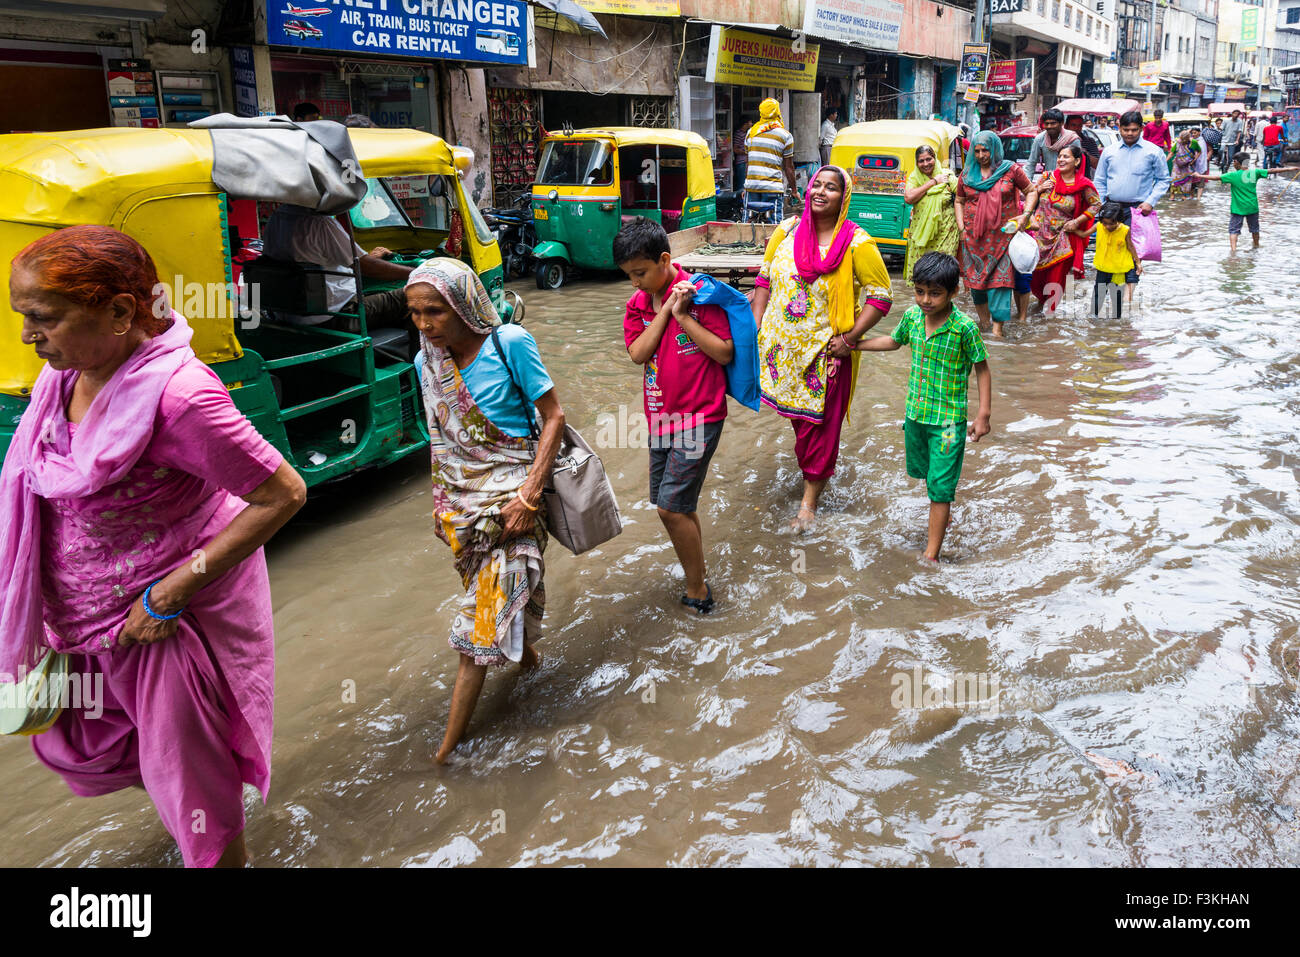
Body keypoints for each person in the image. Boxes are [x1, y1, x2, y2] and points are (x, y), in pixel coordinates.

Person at [0, 225, 306, 867]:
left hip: (162, 625)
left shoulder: (182, 398)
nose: (29, 337)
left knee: (194, 791)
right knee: (80, 744)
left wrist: (172, 592)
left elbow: (283, 493)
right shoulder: (64, 377)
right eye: (23, 318)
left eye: (43, 319)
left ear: (117, 311)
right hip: (84, 624)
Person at [406, 258, 564, 764]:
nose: (425, 324)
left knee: (478, 621)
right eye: (415, 313)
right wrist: (443, 504)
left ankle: (447, 752)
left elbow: (553, 418)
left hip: (517, 496)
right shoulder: (426, 362)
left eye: (435, 311)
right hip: (466, 501)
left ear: (465, 306)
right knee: (491, 598)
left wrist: (529, 495)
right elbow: (441, 443)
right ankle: (529, 660)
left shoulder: (510, 344)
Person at [752, 165, 892, 530]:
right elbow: (764, 279)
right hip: (780, 355)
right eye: (817, 184)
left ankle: (808, 503)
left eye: (831, 188)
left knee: (821, 428)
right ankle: (814, 473)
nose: (820, 192)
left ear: (843, 198)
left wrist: (848, 340)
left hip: (827, 354)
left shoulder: (857, 243)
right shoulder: (786, 231)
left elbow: (881, 297)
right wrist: (755, 326)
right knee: (801, 426)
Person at [616, 219, 733, 613]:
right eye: (629, 275)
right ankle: (699, 573)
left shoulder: (700, 296)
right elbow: (638, 354)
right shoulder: (637, 305)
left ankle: (698, 590)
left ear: (665, 260)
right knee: (676, 505)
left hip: (700, 416)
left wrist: (684, 316)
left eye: (641, 273)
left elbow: (724, 353)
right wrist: (666, 309)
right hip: (660, 418)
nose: (635, 283)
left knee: (670, 508)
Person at [855, 252, 991, 564]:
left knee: (940, 489)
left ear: (953, 292)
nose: (925, 300)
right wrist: (855, 343)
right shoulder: (913, 318)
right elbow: (893, 341)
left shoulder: (964, 328)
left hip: (947, 424)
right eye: (919, 291)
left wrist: (983, 415)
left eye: (935, 293)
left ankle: (930, 556)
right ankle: (943, 518)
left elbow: (982, 368)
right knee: (926, 476)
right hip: (915, 416)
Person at [261, 204, 414, 331]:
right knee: (416, 294)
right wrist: (416, 272)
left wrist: (369, 259)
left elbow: (312, 256)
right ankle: (422, 362)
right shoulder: (319, 222)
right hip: (336, 316)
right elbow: (366, 267)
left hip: (291, 314)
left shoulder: (278, 217)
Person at [954, 130, 1037, 338]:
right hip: (973, 238)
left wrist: (1025, 215)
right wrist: (962, 228)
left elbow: (1031, 191)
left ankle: (997, 330)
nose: (981, 155)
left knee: (1001, 282)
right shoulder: (967, 174)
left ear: (995, 149)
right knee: (976, 284)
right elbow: (959, 201)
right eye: (978, 150)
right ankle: (983, 324)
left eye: (986, 150)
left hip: (1003, 237)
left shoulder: (1010, 170)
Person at [1027, 142, 1101, 313]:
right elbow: (1029, 196)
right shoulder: (1047, 177)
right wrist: (1038, 190)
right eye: (1059, 156)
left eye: (1065, 156)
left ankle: (1051, 322)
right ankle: (1039, 307)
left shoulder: (1083, 184)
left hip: (1062, 239)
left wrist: (1077, 221)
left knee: (1055, 281)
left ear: (1076, 161)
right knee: (1035, 281)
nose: (1060, 159)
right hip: (1038, 237)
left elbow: (1096, 204)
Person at [1193, 152, 1299, 253]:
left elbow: (1216, 177)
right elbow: (1271, 170)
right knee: (1254, 229)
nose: (1233, 163)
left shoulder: (1232, 175)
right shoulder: (1255, 172)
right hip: (1252, 207)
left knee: (1233, 230)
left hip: (1237, 209)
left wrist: (1199, 176)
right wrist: (1290, 168)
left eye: (1234, 161)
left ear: (1238, 163)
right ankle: (1256, 246)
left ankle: (1233, 251)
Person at [1092, 109, 1170, 226]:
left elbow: (1163, 180)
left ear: (1142, 128)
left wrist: (1150, 202)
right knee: (1109, 244)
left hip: (1139, 209)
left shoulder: (1154, 152)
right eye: (1126, 130)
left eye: (1134, 130)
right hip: (1110, 209)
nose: (1130, 133)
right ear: (1119, 127)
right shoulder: (1109, 152)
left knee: (1135, 244)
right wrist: (1101, 205)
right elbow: (1100, 180)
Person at [902, 144, 960, 281]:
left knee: (942, 274)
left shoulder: (948, 176)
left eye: (929, 159)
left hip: (946, 234)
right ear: (917, 163)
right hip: (921, 237)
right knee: (922, 275)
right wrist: (933, 182)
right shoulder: (914, 178)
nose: (926, 164)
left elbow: (963, 198)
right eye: (921, 161)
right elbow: (909, 198)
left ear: (935, 158)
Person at [743, 98, 796, 222]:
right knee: (774, 226)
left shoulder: (751, 133)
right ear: (777, 112)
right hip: (773, 187)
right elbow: (789, 167)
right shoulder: (785, 135)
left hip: (752, 186)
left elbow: (748, 162)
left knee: (747, 225)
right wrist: (794, 190)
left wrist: (746, 186)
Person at [1087, 202, 1142, 318]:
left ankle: (1116, 322)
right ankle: (1093, 317)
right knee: (1098, 294)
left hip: (1119, 269)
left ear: (1119, 220)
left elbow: (1130, 246)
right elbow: (1083, 234)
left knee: (1117, 295)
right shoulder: (1099, 226)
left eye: (1111, 223)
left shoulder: (1125, 230)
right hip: (1103, 267)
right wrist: (1070, 229)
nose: (1107, 226)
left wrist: (1137, 263)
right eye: (1105, 223)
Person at [1027, 108, 1081, 175]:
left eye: (1053, 123)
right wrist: (1028, 184)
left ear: (1061, 123)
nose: (1049, 126)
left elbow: (1079, 165)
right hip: (1049, 181)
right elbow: (1031, 163)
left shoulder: (1072, 139)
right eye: (1046, 124)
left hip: (1068, 181)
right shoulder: (1040, 139)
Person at [1168, 129, 1201, 200]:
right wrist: (1165, 160)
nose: (1182, 141)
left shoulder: (1194, 142)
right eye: (1181, 139)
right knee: (1174, 179)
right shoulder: (1178, 142)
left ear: (1188, 138)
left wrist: (1194, 160)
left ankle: (1184, 196)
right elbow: (1172, 153)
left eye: (1184, 139)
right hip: (1177, 165)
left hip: (1188, 165)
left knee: (1187, 181)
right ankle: (1172, 195)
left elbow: (1199, 151)